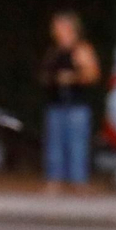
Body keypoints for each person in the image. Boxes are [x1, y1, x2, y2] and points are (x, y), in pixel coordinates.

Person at [38, 11, 101, 189]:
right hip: (56, 104)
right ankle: (54, 180)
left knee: (77, 144)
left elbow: (92, 75)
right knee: (54, 144)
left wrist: (72, 77)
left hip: (76, 105)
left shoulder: (81, 50)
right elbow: (44, 75)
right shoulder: (54, 51)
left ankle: (78, 181)